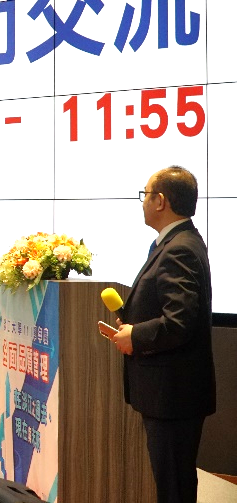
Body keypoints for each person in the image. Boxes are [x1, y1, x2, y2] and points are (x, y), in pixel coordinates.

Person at [109, 166, 215, 503]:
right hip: (171, 392)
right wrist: (132, 321)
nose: (142, 202)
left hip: (173, 394)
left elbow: (179, 322)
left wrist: (136, 336)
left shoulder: (178, 248)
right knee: (174, 484)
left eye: (145, 195)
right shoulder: (176, 242)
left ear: (160, 201)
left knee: (174, 488)